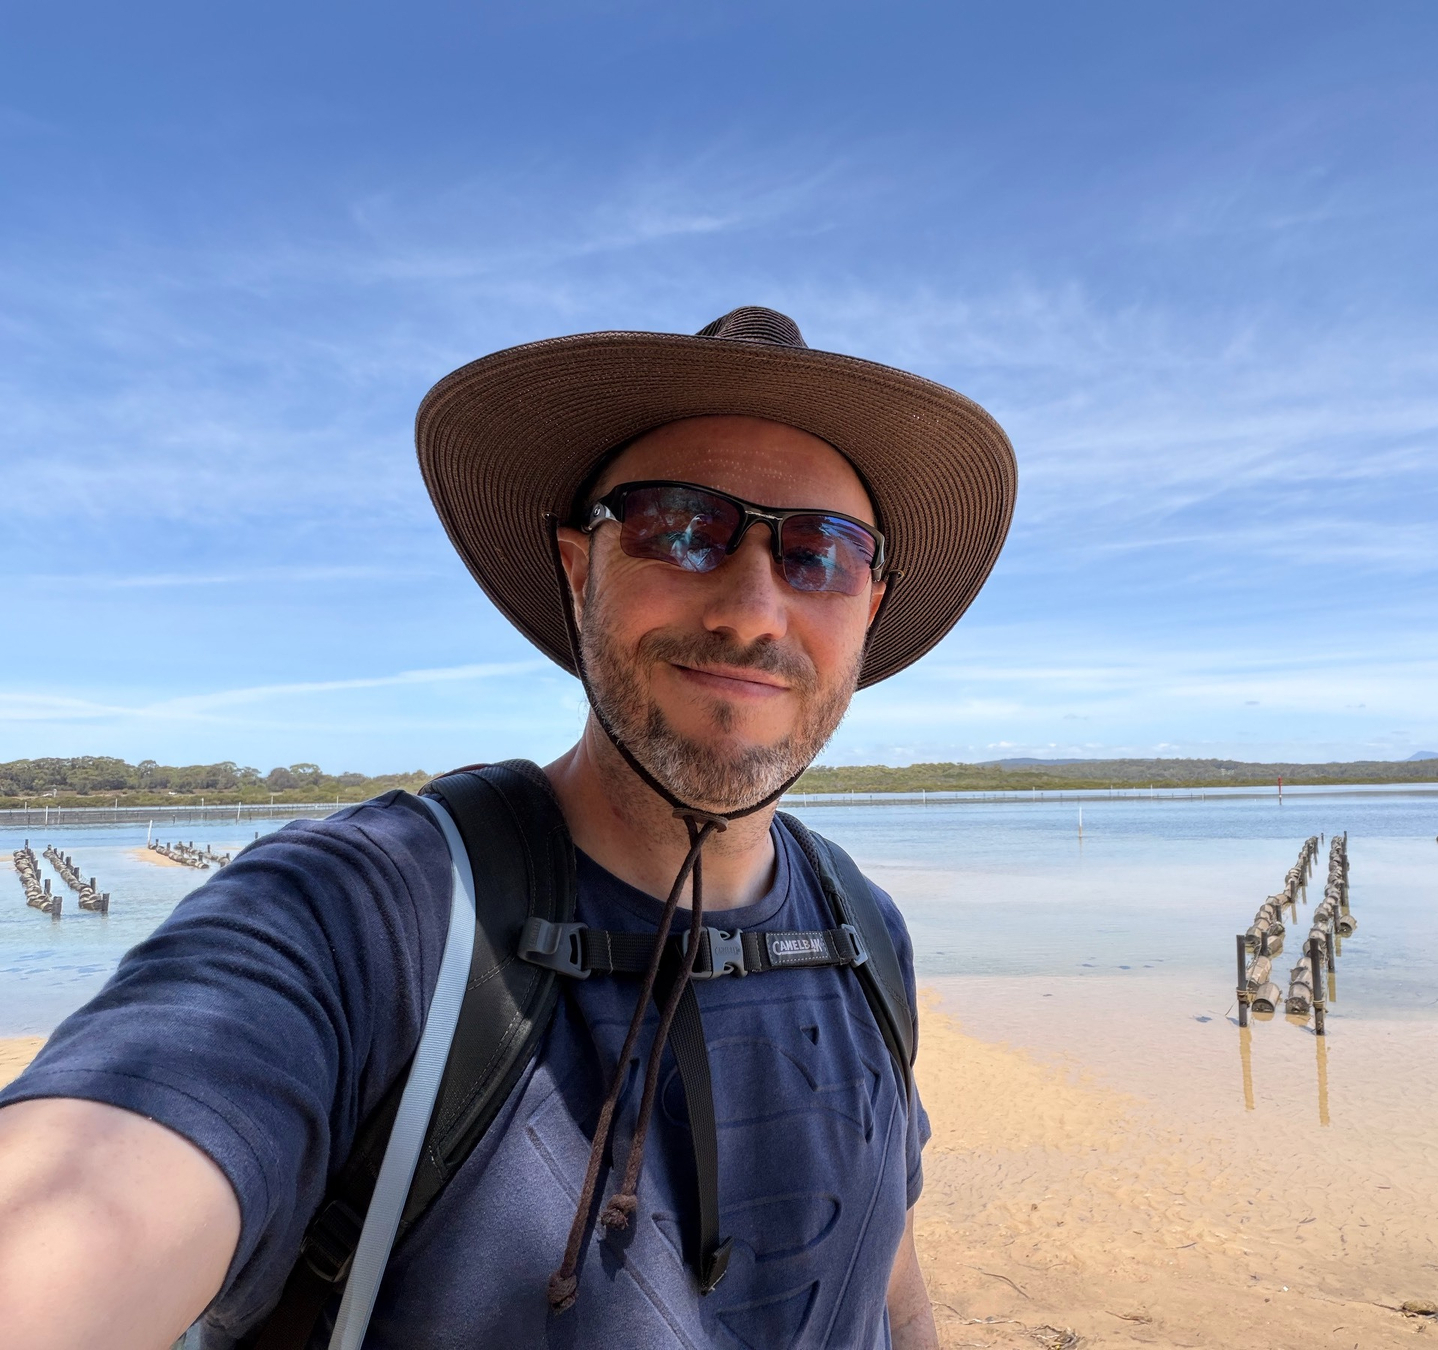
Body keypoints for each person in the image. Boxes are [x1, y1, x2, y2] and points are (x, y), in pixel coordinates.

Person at [0, 307, 1016, 1349]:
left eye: (822, 553)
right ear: (581, 572)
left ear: (871, 607)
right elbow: (81, 1202)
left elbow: (888, 1276)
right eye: (679, 527)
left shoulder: (866, 935)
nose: (754, 611)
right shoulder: (373, 915)